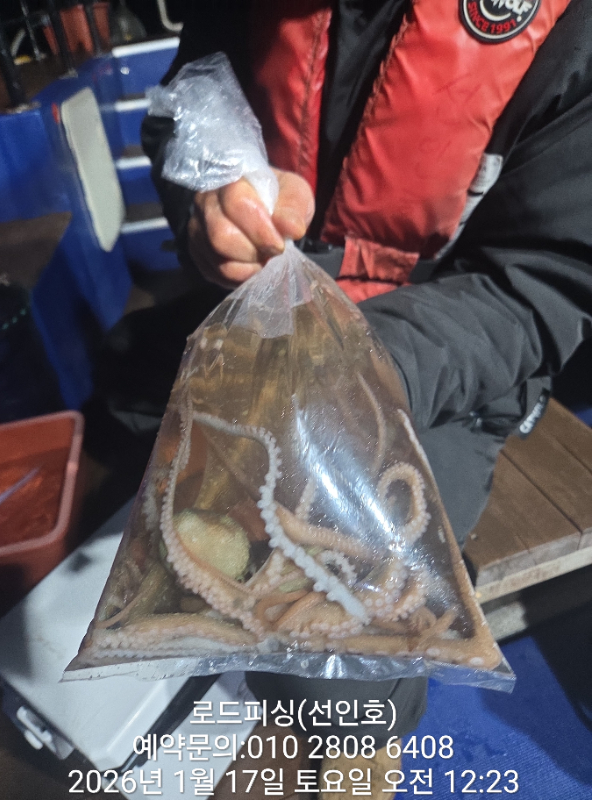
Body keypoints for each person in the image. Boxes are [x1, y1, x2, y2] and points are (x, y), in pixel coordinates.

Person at [135, 0, 592, 793]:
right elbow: (185, 97)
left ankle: (361, 751)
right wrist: (204, 199)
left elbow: (542, 284)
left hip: (446, 360)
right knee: (158, 485)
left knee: (342, 624)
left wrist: (356, 366)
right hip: (259, 324)